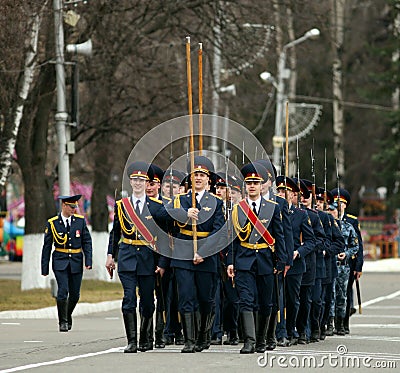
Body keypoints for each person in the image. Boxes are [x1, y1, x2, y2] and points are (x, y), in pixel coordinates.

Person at [105, 161, 170, 353]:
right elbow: (115, 233)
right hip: (127, 256)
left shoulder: (157, 206)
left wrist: (163, 262)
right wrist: (110, 255)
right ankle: (131, 340)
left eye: (142, 180)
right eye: (135, 179)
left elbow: (165, 237)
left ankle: (145, 337)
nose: (138, 183)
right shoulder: (122, 206)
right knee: (128, 299)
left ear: (147, 182)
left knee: (148, 301)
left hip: (148, 259)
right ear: (130, 182)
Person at [167, 155, 226, 353]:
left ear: (209, 179)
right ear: (190, 179)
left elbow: (218, 231)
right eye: (195, 175)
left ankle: (203, 335)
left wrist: (203, 251)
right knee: (185, 296)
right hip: (183, 252)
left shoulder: (216, 203)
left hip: (206, 255)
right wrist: (185, 214)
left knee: (205, 298)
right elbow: (162, 215)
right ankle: (189, 340)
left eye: (202, 174)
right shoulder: (180, 200)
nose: (198, 178)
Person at [227, 163, 286, 354]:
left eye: (256, 182)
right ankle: (249, 341)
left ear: (262, 185)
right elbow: (233, 238)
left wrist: (281, 260)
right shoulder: (238, 209)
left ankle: (262, 340)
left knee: (265, 302)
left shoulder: (273, 208)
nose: (252, 186)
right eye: (249, 183)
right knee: (246, 300)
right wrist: (230, 261)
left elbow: (280, 235)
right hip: (244, 260)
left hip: (266, 260)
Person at [41, 194, 92, 332]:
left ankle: (67, 314)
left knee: (75, 295)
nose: (74, 209)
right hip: (60, 261)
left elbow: (87, 241)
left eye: (75, 207)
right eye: (71, 207)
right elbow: (47, 246)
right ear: (64, 205)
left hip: (76, 260)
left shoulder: (80, 222)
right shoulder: (53, 223)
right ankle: (62, 321)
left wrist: (88, 260)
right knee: (63, 291)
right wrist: (44, 268)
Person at [275, 176, 315, 346]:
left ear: (293, 195)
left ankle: (292, 330)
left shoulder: (300, 214)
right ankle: (279, 332)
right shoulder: (272, 210)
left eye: (286, 191)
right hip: (276, 261)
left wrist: (298, 252)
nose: (282, 194)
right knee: (278, 299)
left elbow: (311, 240)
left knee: (292, 299)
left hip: (295, 264)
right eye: (280, 191)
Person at [330, 188, 362, 335]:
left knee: (345, 293)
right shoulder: (327, 220)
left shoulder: (351, 222)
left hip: (346, 264)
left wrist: (358, 265)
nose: (338, 206)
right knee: (330, 293)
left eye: (341, 203)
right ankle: (330, 323)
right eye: (335, 204)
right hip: (330, 263)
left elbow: (358, 245)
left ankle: (343, 323)